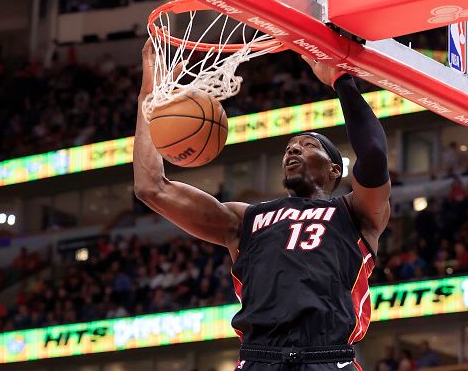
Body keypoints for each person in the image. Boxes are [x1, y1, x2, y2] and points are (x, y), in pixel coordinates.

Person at [134, 39, 391, 371]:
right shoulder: (246, 219)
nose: (293, 150)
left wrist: (342, 80)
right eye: (289, 147)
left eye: (307, 144)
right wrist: (149, 99)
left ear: (334, 169)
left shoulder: (355, 212)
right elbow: (151, 187)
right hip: (260, 360)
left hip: (328, 359)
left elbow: (373, 154)